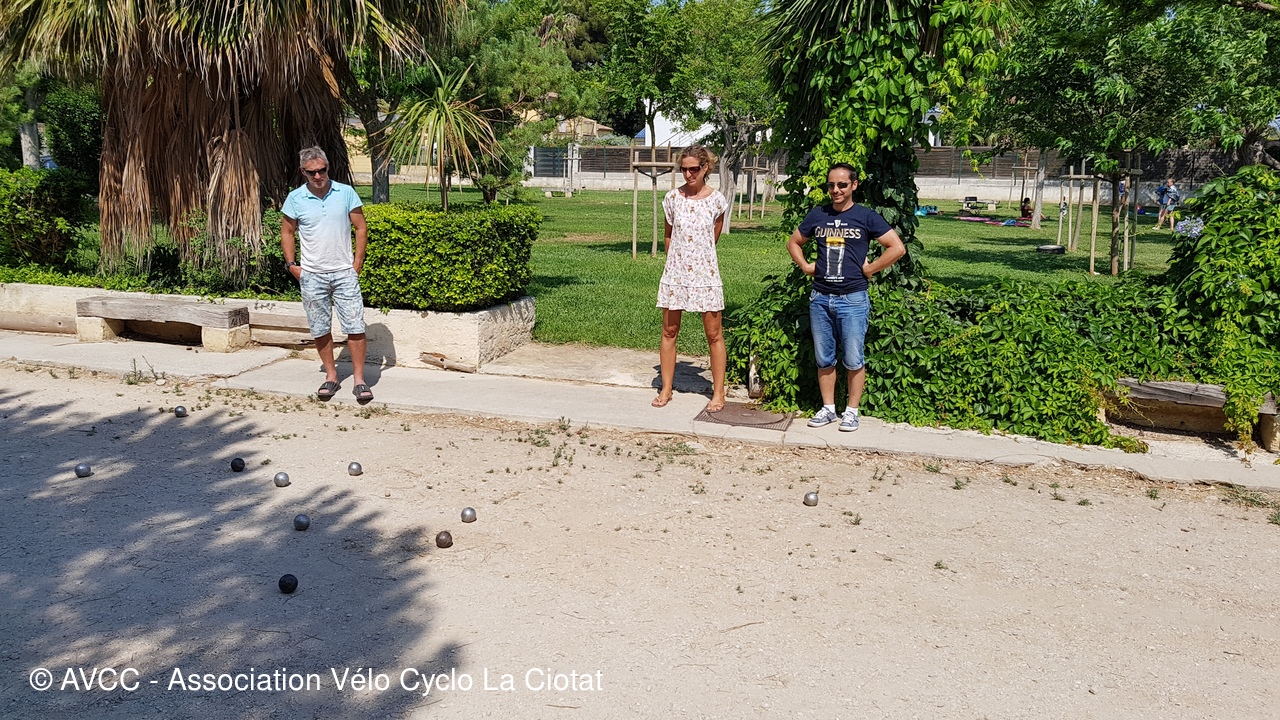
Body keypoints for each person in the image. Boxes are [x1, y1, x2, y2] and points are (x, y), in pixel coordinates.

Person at [787, 163, 905, 431]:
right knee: (824, 358)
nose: (836, 190)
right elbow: (794, 242)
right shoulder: (818, 215)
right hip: (820, 297)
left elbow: (896, 248)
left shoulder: (866, 216)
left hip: (852, 298)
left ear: (854, 185)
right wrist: (805, 266)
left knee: (853, 359)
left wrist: (870, 269)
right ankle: (828, 409)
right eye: (831, 185)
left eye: (842, 185)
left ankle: (851, 412)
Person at [281, 146, 373, 403]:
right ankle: (331, 376)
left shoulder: (345, 193)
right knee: (320, 327)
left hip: (344, 273)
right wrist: (292, 265)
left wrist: (357, 262)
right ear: (303, 172)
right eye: (312, 172)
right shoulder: (295, 198)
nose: (318, 176)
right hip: (312, 274)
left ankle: (359, 380)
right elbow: (287, 232)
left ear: (328, 167)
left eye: (322, 170)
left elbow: (361, 227)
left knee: (355, 326)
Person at [653, 146, 730, 411]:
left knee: (714, 334)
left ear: (705, 168)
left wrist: (699, 261)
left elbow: (713, 237)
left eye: (694, 169)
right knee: (669, 331)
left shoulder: (717, 201)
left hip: (705, 274)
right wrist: (674, 264)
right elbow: (668, 235)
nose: (688, 174)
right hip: (675, 275)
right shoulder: (672, 198)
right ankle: (666, 388)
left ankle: (718, 392)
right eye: (684, 169)